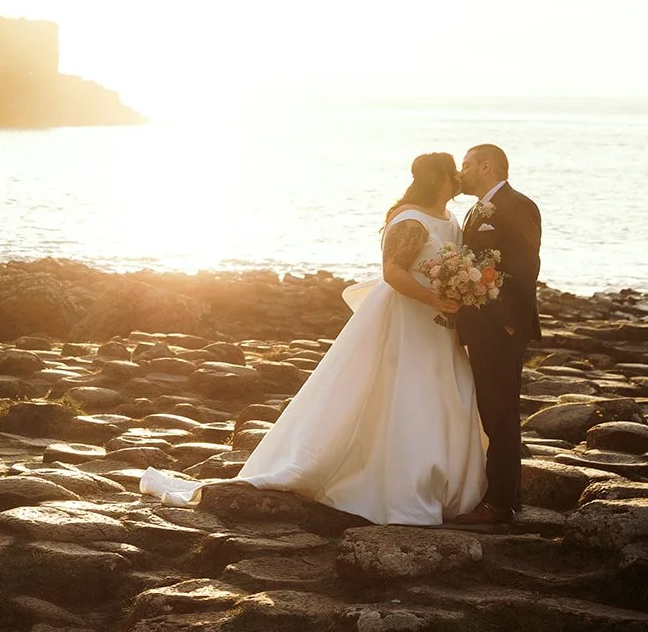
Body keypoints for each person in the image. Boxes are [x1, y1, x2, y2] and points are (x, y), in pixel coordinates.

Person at [141, 152, 487, 525]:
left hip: (437, 325)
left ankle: (446, 485)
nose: (458, 177)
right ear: (439, 180)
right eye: (453, 172)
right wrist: (436, 298)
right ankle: (398, 483)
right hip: (406, 320)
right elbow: (392, 273)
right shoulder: (409, 220)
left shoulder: (450, 219)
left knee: (445, 393)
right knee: (405, 393)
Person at [451, 143, 542, 525]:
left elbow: (525, 267)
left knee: (501, 411)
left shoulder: (517, 205)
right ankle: (506, 494)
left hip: (503, 329)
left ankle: (501, 502)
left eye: (467, 165)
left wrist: (508, 321)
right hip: (481, 327)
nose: (461, 172)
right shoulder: (475, 210)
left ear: (487, 167)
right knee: (491, 409)